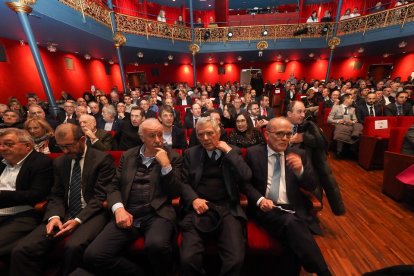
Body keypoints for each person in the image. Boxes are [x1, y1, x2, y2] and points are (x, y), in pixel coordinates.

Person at [10, 123, 115, 276]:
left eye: (69, 146)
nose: (65, 151)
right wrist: (54, 216)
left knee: (73, 247)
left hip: (92, 213)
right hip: (64, 212)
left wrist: (78, 220)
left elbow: (100, 197)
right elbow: (57, 194)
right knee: (22, 249)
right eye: (61, 147)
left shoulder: (102, 159)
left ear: (82, 139)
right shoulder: (60, 162)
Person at [83, 118, 182, 275]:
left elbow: (176, 192)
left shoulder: (173, 157)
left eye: (160, 135)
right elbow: (113, 186)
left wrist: (166, 166)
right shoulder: (128, 156)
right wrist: (118, 209)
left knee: (157, 246)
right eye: (152, 136)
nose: (158, 140)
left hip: (156, 214)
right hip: (128, 211)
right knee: (93, 255)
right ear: (141, 137)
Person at [243, 117, 332, 276]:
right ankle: (323, 272)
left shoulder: (299, 154)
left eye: (288, 134)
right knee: (293, 224)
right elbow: (246, 185)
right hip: (267, 209)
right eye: (279, 134)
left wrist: (300, 171)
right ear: (267, 134)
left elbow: (311, 185)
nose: (284, 138)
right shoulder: (253, 153)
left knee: (292, 241)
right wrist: (260, 199)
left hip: (293, 208)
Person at [180, 116, 252, 276]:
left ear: (218, 132)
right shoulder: (191, 154)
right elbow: (183, 183)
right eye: (200, 134)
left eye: (209, 133)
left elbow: (246, 176)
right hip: (199, 209)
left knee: (236, 259)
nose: (205, 138)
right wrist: (194, 199)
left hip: (227, 209)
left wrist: (229, 152)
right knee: (187, 259)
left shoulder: (233, 151)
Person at [0, 128, 53, 258]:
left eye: (8, 144)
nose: (2, 148)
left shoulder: (41, 162)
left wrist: (2, 195)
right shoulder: (2, 163)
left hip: (22, 214)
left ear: (27, 146)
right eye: (0, 145)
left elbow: (37, 194)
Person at [287, 101, 345, 215]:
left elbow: (323, 142)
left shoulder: (309, 127)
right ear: (289, 113)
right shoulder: (281, 125)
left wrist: (304, 138)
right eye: (299, 112)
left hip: (308, 170)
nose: (303, 115)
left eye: (304, 111)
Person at [327, 94, 363, 158]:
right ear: (346, 99)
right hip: (340, 124)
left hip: (350, 124)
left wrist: (352, 121)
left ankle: (354, 136)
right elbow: (329, 119)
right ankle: (339, 151)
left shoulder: (352, 109)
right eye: (351, 98)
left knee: (359, 125)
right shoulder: (336, 107)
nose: (352, 100)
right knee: (342, 128)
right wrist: (338, 121)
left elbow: (355, 120)